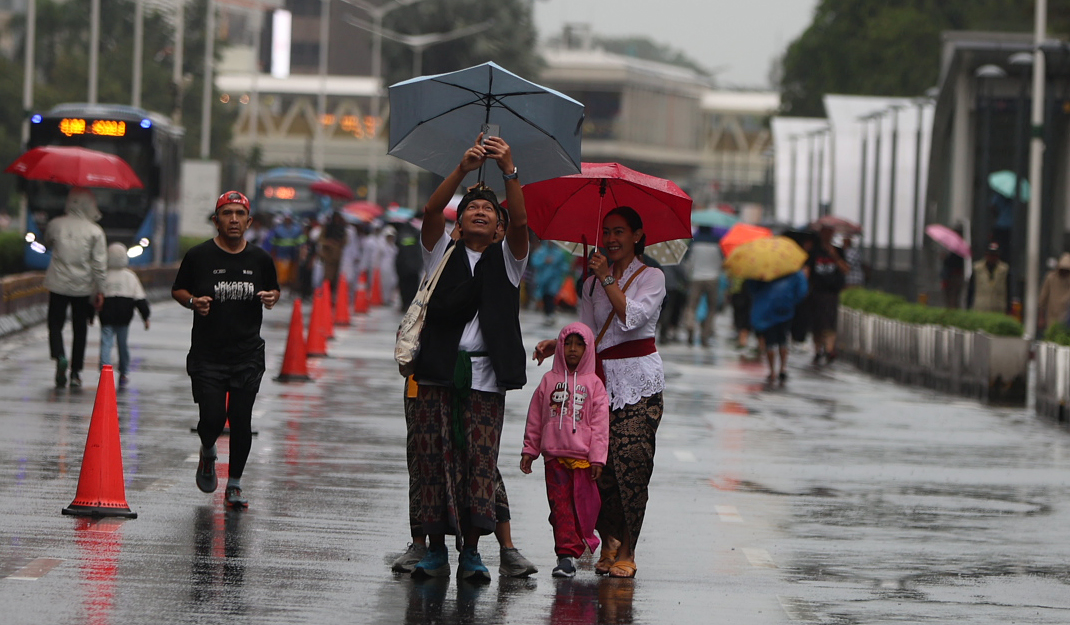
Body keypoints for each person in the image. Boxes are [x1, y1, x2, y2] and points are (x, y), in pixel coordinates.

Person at [407, 134, 531, 582]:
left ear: (498, 227)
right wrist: (461, 168)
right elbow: (429, 213)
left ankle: (473, 554)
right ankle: (435, 550)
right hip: (436, 372)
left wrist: (508, 169)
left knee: (479, 464)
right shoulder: (440, 255)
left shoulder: (509, 261)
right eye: (471, 207)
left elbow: (522, 222)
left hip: (485, 379)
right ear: (458, 222)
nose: (480, 211)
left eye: (489, 210)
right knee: (433, 460)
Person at [533, 205, 667, 579]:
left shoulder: (652, 277)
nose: (610, 239)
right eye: (606, 231)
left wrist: (607, 277)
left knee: (633, 464)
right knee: (599, 467)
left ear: (637, 236)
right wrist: (558, 343)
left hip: (638, 383)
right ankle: (608, 539)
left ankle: (627, 549)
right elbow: (589, 333)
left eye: (619, 231)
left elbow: (632, 318)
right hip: (599, 383)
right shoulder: (591, 284)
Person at [171, 190, 280, 509]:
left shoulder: (260, 259)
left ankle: (234, 484)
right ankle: (208, 450)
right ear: (216, 220)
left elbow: (274, 289)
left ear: (249, 221)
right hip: (208, 354)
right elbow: (178, 289)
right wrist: (193, 302)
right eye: (227, 213)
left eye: (239, 214)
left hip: (247, 354)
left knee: (241, 419)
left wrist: (272, 297)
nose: (233, 219)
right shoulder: (199, 256)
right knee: (212, 418)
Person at [521, 322, 609, 578]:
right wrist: (530, 449)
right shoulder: (548, 381)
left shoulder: (594, 385)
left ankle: (583, 540)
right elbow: (535, 419)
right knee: (560, 508)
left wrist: (597, 458)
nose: (572, 349)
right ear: (559, 346)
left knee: (583, 509)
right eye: (567, 343)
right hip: (555, 460)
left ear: (588, 350)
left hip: (583, 461)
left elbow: (600, 426)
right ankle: (565, 557)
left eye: (579, 345)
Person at [44, 187, 107, 388]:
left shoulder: (56, 224)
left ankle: (60, 356)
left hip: (58, 284)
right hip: (83, 287)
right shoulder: (95, 231)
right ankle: (76, 373)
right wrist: (100, 290)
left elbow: (47, 241)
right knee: (80, 328)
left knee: (55, 324)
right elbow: (99, 265)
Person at [96, 242, 150, 388]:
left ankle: (104, 370)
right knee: (122, 345)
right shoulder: (130, 277)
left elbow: (95, 296)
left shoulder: (103, 275)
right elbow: (140, 299)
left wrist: (90, 315)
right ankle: (124, 371)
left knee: (106, 343)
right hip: (124, 316)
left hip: (106, 315)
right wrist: (146, 317)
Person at [747, 270, 808, 384]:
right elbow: (802, 291)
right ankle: (783, 368)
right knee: (783, 339)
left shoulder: (763, 269)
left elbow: (753, 287)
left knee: (769, 342)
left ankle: (772, 371)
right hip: (785, 309)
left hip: (766, 310)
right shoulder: (793, 270)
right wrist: (791, 301)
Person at [807, 225, 848, 365]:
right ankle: (818, 350)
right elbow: (808, 269)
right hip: (816, 292)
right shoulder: (814, 251)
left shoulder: (838, 251)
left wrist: (835, 256)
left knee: (830, 322)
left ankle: (830, 350)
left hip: (832, 292)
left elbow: (846, 269)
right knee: (817, 323)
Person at [682, 225, 722, 346]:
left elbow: (687, 260)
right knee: (711, 308)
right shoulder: (718, 242)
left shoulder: (694, 241)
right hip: (713, 278)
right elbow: (722, 260)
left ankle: (690, 326)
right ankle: (705, 335)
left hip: (696, 278)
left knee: (691, 306)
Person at [532, 239, 573, 326]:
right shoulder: (540, 252)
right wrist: (544, 261)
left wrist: (565, 270)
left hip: (554, 280)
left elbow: (564, 266)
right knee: (544, 297)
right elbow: (534, 262)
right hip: (542, 279)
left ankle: (550, 313)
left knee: (550, 296)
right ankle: (547, 314)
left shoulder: (559, 253)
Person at [967, 242, 1010, 314]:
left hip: (998, 308)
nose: (992, 258)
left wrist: (1008, 308)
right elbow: (971, 289)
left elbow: (1008, 290)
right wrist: (968, 307)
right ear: (986, 255)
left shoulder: (1004, 270)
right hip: (980, 308)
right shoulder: (977, 268)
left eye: (994, 255)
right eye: (990, 255)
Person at [267, 212, 306, 289]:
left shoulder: (297, 229)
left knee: (292, 274)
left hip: (293, 255)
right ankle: (282, 288)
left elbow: (302, 241)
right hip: (281, 255)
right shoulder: (278, 230)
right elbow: (273, 242)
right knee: (282, 273)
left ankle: (290, 288)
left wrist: (299, 249)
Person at [1040, 253, 1070, 332]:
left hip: (1066, 316)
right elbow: (1043, 298)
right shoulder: (1051, 278)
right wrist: (1041, 317)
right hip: (1052, 315)